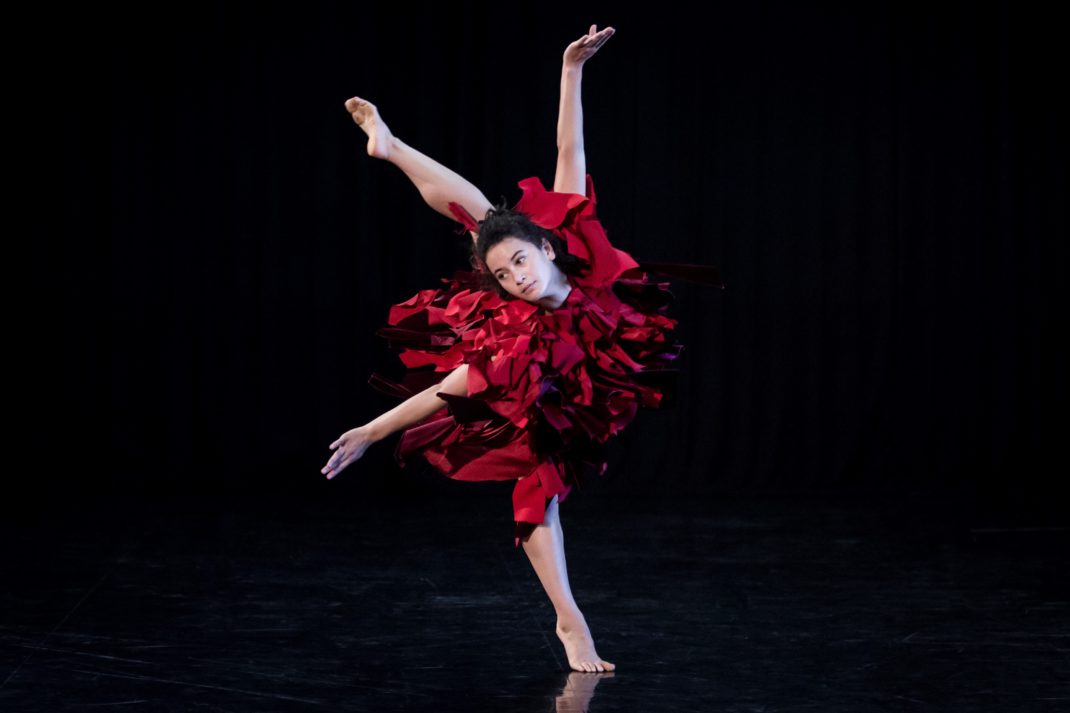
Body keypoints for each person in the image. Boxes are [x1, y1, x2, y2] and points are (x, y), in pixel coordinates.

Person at [323, 24, 722, 674]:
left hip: (597, 361)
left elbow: (570, 145)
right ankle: (571, 620)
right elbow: (447, 385)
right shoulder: (516, 327)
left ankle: (395, 147)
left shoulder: (570, 240)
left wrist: (571, 69)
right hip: (546, 382)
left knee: (488, 217)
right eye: (503, 276)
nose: (515, 278)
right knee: (536, 487)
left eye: (518, 265)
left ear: (546, 247)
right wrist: (371, 429)